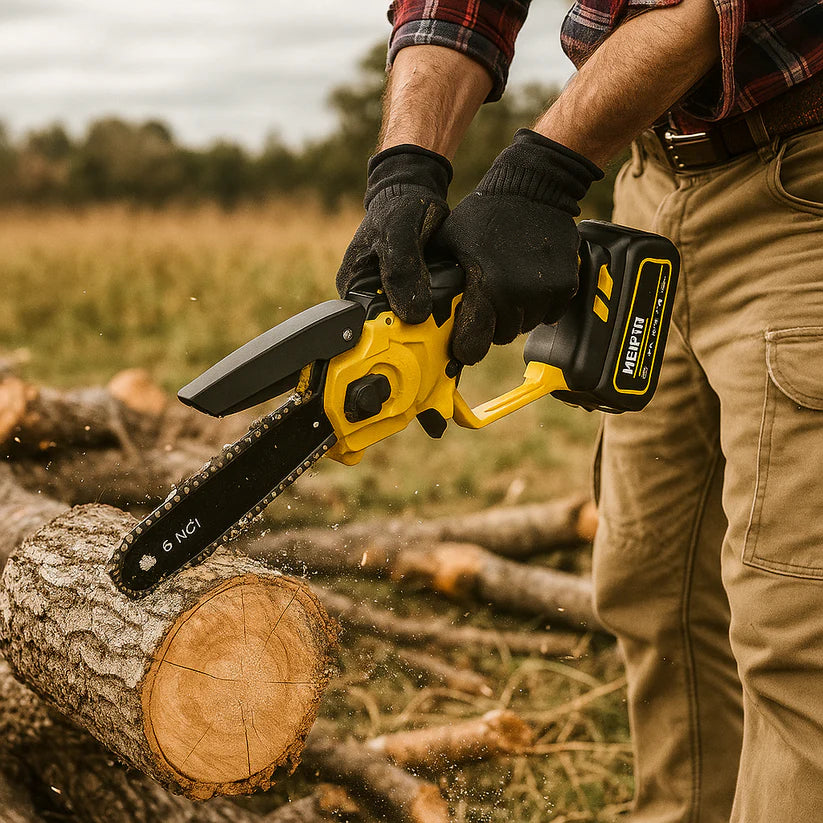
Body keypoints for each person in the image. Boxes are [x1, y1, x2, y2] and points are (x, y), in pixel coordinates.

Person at [335, 0, 823, 820]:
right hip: (652, 181)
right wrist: (406, 167)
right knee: (651, 583)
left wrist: (538, 177)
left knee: (796, 631)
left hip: (803, 187)